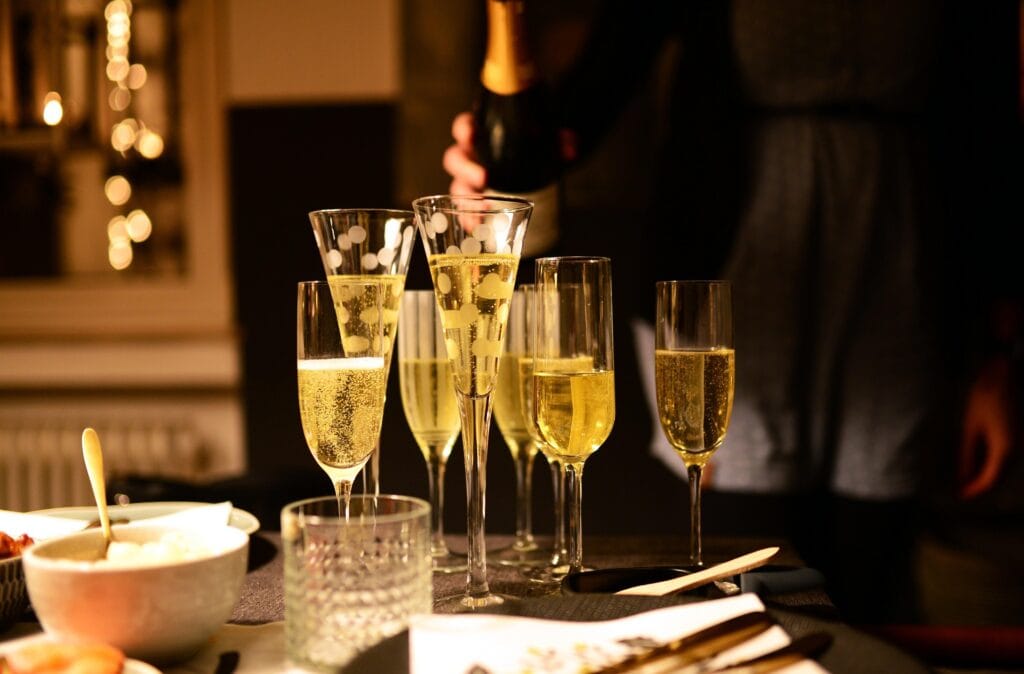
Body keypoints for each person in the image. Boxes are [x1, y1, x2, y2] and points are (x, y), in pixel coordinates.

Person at [443, 1, 1022, 623]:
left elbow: (990, 129)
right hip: (727, 274)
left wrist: (998, 360)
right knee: (746, 569)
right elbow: (589, 95)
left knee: (874, 565)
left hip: (903, 273)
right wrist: (492, 165)